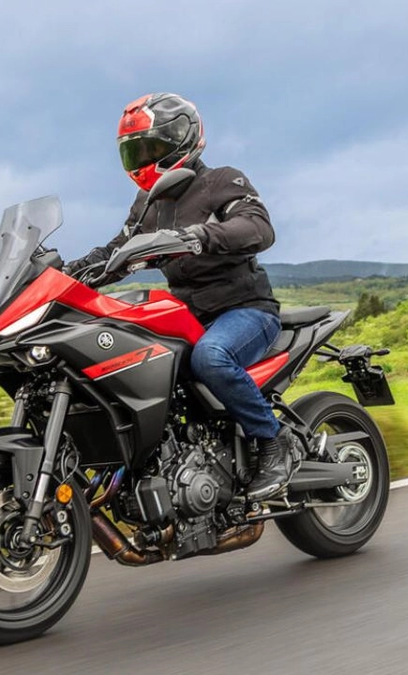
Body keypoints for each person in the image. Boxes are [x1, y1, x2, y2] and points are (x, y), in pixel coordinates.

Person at [64, 93, 292, 500]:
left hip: (245, 310)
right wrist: (67, 273)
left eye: (148, 149)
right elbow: (117, 250)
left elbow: (258, 228)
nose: (140, 161)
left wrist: (199, 236)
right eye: (133, 152)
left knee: (210, 358)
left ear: (180, 140)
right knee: (132, 362)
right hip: (190, 315)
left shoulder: (221, 180)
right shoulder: (148, 203)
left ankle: (272, 441)